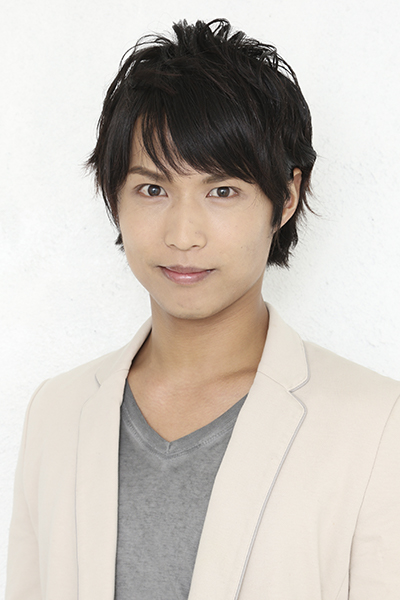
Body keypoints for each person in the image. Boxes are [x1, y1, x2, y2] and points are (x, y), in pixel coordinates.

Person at [6, 18, 400, 600]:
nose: (183, 235)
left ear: (286, 197)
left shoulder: (377, 424)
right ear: (113, 195)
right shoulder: (56, 412)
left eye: (222, 191)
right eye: (153, 189)